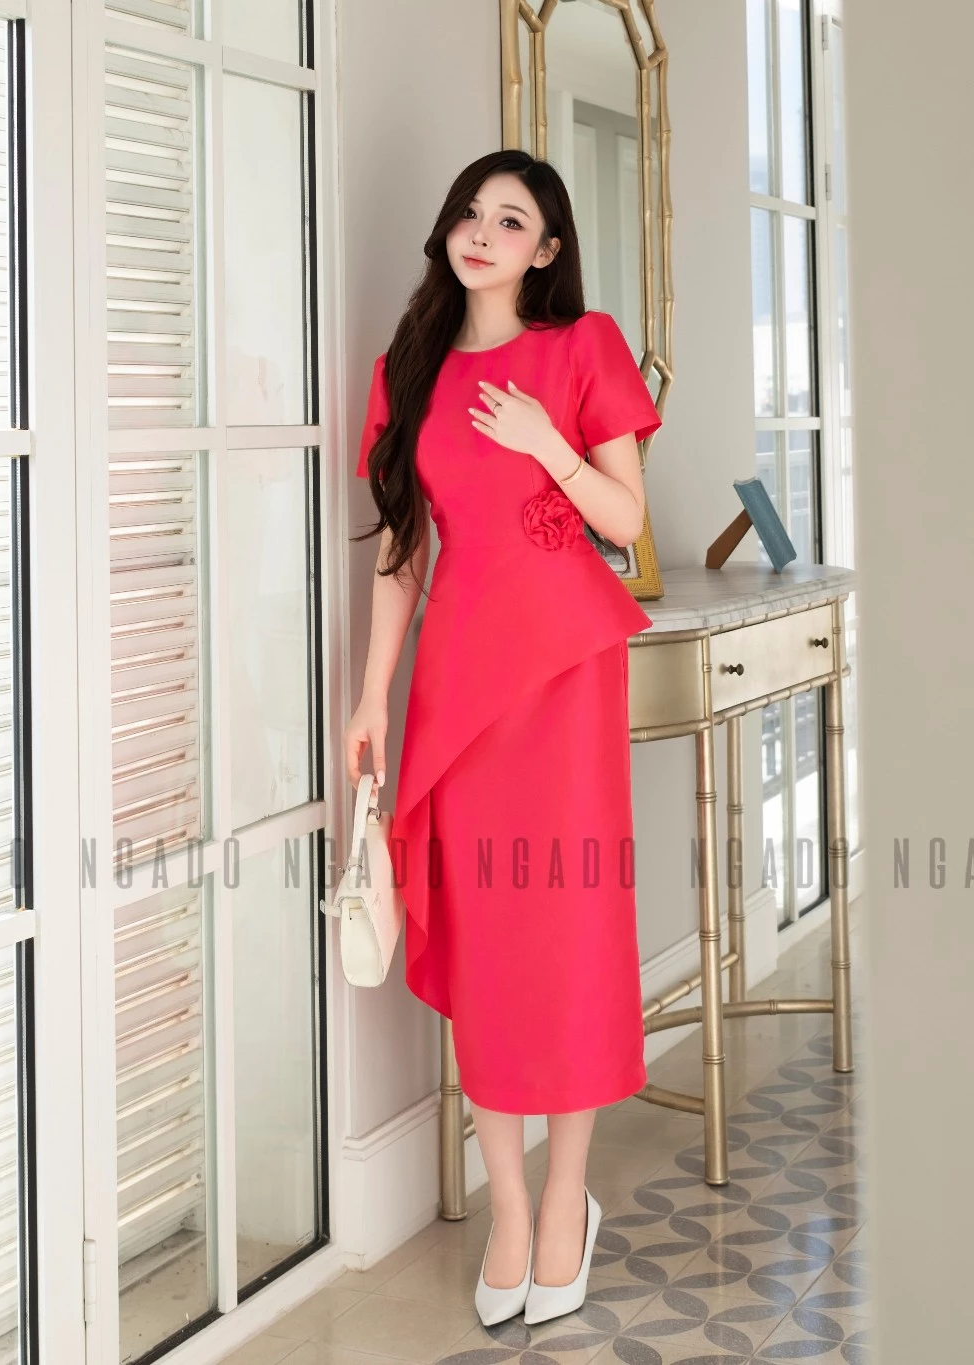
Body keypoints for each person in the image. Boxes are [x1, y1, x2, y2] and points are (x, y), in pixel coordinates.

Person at [344, 148, 662, 1328]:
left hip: (564, 672)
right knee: (485, 939)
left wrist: (546, 443)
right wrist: (372, 697)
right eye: (470, 214)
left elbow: (627, 521)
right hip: (460, 682)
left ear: (547, 249)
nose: (481, 233)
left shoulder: (583, 349)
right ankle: (511, 1209)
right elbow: (402, 551)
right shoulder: (406, 371)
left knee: (567, 930)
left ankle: (568, 1196)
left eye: (511, 219)